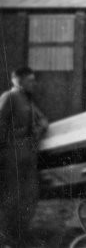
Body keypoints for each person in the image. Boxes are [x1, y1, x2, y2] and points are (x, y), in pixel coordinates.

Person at [0, 67, 49, 247]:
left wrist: (39, 129)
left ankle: (19, 234)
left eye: (33, 80)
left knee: (29, 196)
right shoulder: (9, 97)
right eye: (29, 80)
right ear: (17, 80)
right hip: (11, 156)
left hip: (27, 154)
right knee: (12, 197)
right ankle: (6, 238)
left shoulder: (27, 100)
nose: (33, 84)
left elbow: (42, 120)